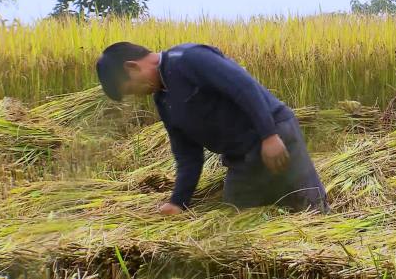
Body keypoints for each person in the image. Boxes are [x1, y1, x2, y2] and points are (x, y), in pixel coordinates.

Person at [96, 42, 329, 215]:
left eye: (129, 89)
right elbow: (188, 156)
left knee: (310, 209)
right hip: (241, 158)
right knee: (236, 219)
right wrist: (178, 202)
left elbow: (244, 88)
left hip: (276, 137)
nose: (135, 95)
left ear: (132, 67)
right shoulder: (163, 100)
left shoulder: (189, 59)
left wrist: (269, 135)